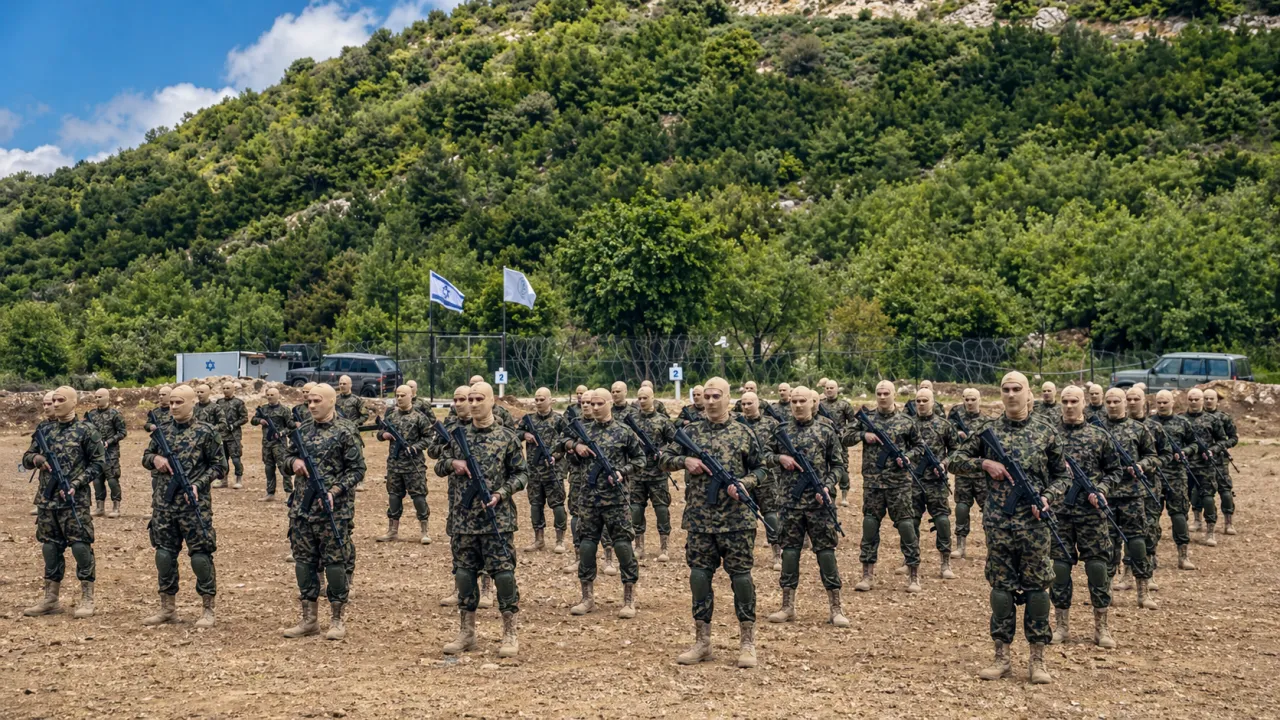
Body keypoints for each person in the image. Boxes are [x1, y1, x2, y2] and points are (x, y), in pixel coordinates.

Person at [950, 371, 1068, 684]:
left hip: (1034, 525)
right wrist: (984, 464)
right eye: (1006, 389)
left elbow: (1064, 476)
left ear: (1028, 393)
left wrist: (1047, 497)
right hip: (998, 524)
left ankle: (1037, 660)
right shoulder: (986, 430)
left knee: (1037, 590)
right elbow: (954, 460)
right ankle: (1001, 658)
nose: (1012, 394)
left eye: (1018, 389)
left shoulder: (1046, 431)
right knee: (1001, 590)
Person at [660, 377, 767, 668]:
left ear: (728, 398)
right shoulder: (689, 432)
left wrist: (744, 484)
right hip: (699, 520)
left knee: (742, 579)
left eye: (716, 396)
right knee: (699, 578)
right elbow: (663, 458)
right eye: (706, 396)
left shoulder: (744, 432)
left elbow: (762, 469)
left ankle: (747, 642)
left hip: (737, 521)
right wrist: (685, 462)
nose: (709, 401)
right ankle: (703, 642)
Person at [436, 382, 527, 658]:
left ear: (491, 402)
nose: (473, 404)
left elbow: (521, 474)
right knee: (464, 575)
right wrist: (453, 463)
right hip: (464, 521)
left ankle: (510, 632)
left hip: (497, 520)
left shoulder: (507, 437)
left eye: (479, 399)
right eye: (470, 399)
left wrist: (501, 493)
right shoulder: (457, 436)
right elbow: (439, 465)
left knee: (504, 575)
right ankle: (467, 633)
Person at [282, 384, 366, 641]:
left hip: (333, 512)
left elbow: (357, 469)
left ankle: (337, 619)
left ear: (331, 401)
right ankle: (309, 620)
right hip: (302, 510)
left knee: (335, 565)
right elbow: (286, 459)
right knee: (304, 563)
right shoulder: (302, 431)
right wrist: (293, 462)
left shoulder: (346, 430)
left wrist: (335, 490)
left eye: (317, 401)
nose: (311, 405)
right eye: (309, 401)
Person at [141, 386, 227, 628]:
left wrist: (199, 484)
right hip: (164, 506)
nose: (174, 406)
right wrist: (155, 459)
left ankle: (208, 609)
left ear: (192, 403)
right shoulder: (161, 431)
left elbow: (220, 466)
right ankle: (167, 608)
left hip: (194, 506)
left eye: (179, 402)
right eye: (171, 402)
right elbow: (146, 457)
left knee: (200, 556)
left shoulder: (206, 432)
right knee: (164, 555)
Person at [766, 385, 850, 628]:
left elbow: (838, 465)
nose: (798, 405)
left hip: (818, 504)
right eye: (794, 401)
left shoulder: (826, 430)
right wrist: (780, 458)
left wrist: (827, 486)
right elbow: (763, 456)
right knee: (790, 553)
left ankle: (836, 608)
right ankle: (787, 606)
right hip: (789, 504)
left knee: (826, 553)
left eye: (802, 400)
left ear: (813, 403)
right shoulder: (781, 431)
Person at [23, 386, 104, 619]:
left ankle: (87, 597)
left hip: (74, 501)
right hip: (47, 501)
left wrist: (77, 482)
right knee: (50, 547)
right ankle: (51, 598)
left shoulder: (86, 430)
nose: (56, 404)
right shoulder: (44, 430)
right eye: (54, 400)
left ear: (73, 403)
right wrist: (37, 458)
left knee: (80, 547)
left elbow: (99, 463)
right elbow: (26, 458)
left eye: (61, 400)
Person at [1050, 386, 1120, 648]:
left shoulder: (1098, 436)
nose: (1069, 406)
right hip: (1059, 513)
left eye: (1074, 401)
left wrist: (1101, 489)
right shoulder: (1050, 435)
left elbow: (1115, 471)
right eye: (1065, 401)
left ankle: (1102, 627)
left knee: (1097, 568)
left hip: (1092, 514)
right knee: (1059, 568)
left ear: (1083, 403)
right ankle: (1061, 625)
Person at [568, 389, 643, 618]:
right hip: (589, 499)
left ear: (610, 403)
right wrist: (576, 448)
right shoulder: (584, 431)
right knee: (587, 546)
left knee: (623, 546)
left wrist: (623, 471)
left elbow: (640, 459)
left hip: (615, 500)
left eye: (600, 403)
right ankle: (587, 598)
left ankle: (629, 599)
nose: (595, 407)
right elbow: (570, 458)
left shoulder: (624, 432)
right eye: (592, 403)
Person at [850, 380, 924, 593]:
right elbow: (845, 437)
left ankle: (913, 575)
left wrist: (908, 457)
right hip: (873, 484)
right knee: (870, 527)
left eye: (886, 393)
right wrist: (864, 435)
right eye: (879, 393)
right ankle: (867, 575)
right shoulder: (867, 419)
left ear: (894, 395)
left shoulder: (906, 421)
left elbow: (920, 446)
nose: (882, 397)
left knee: (906, 527)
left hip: (899, 484)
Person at [1100, 388, 1158, 609]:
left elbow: (1153, 456)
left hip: (1132, 495)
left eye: (1117, 401)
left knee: (1137, 543)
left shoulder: (1139, 429)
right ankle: (1107, 591)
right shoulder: (1097, 429)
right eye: (1109, 402)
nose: (1113, 405)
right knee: (1107, 544)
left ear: (1124, 402)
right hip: (1106, 496)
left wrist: (1142, 465)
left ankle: (1143, 592)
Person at [432, 386, 477, 607]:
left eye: (463, 399)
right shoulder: (449, 427)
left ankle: (487, 589)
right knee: (458, 542)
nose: (458, 404)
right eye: (456, 399)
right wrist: (450, 459)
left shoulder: (489, 427)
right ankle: (459, 588)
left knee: (486, 543)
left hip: (484, 495)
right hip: (458, 496)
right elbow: (434, 454)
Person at [375, 385, 434, 545]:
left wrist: (415, 447)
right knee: (394, 497)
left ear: (411, 396)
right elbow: (379, 433)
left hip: (414, 465)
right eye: (398, 395)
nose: (399, 398)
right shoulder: (391, 416)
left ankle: (424, 530)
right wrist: (384, 434)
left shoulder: (419, 417)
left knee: (419, 497)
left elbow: (429, 438)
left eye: (403, 395)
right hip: (394, 465)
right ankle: (392, 530)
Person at [912, 388, 958, 579]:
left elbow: (956, 450)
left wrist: (944, 464)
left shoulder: (944, 425)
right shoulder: (908, 424)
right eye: (918, 401)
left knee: (942, 520)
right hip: (913, 481)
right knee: (910, 521)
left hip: (936, 482)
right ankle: (910, 560)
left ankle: (945, 562)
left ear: (932, 402)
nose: (921, 404)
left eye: (925, 400)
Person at [1149, 390, 1197, 571]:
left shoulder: (1183, 422)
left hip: (1176, 475)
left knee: (1179, 515)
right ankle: (1151, 555)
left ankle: (1183, 555)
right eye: (1159, 402)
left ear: (1172, 402)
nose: (1162, 405)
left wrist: (1186, 452)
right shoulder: (1148, 424)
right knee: (1151, 517)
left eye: (1165, 402)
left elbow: (1195, 443)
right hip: (1153, 476)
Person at [630, 385, 677, 563]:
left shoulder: (663, 421)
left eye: (645, 398)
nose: (642, 401)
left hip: (658, 473)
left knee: (662, 509)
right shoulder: (632, 421)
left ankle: (664, 547)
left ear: (653, 398)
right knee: (636, 509)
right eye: (639, 398)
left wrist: (663, 452)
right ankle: (639, 546)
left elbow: (675, 443)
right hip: (637, 473)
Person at [736, 392, 781, 569]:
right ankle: (746, 554)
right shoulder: (736, 424)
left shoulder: (771, 424)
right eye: (744, 404)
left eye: (750, 403)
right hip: (744, 477)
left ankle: (777, 553)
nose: (746, 407)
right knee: (746, 517)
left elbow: (780, 448)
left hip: (766, 477)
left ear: (758, 404)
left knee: (770, 514)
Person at [522, 388, 568, 553]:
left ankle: (560, 540)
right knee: (535, 505)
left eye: (542, 399)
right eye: (536, 399)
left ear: (550, 400)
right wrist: (525, 434)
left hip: (553, 471)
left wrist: (555, 456)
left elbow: (567, 441)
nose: (539, 402)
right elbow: (515, 433)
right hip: (534, 471)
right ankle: (539, 539)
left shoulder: (559, 420)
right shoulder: (529, 419)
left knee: (557, 505)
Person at [1183, 389, 1227, 546]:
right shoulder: (1180, 419)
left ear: (1202, 400)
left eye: (1197, 399)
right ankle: (1183, 532)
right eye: (1191, 399)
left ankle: (1210, 531)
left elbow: (1223, 440)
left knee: (1208, 498)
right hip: (1185, 467)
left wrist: (1212, 450)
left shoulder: (1212, 419)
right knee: (1183, 499)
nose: (1194, 402)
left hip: (1205, 466)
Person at [948, 388, 988, 558]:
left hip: (982, 473)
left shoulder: (987, 421)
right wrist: (957, 433)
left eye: (973, 399)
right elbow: (949, 441)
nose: (970, 402)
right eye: (967, 399)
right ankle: (961, 546)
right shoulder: (955, 420)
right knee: (962, 508)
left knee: (988, 510)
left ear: (979, 399)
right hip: (963, 472)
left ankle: (991, 545)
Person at [85, 388, 127, 518]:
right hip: (96, 453)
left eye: (100, 397)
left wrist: (109, 441)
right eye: (96, 397)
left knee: (112, 479)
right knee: (97, 480)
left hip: (111, 453)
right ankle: (99, 507)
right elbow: (85, 431)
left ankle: (116, 507)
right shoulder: (91, 415)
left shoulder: (115, 414)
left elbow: (122, 432)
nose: (97, 399)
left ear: (107, 398)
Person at [251, 387, 296, 502]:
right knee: (269, 468)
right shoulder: (263, 409)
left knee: (283, 468)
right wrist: (260, 421)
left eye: (272, 395)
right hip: (267, 444)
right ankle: (270, 493)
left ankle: (288, 493)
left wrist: (282, 433)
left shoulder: (284, 410)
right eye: (268, 395)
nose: (270, 397)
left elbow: (291, 427)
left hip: (279, 444)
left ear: (278, 395)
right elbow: (253, 420)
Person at [1203, 389, 1238, 535]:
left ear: (1217, 400)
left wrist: (1220, 447)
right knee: (1200, 492)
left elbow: (1233, 438)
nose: (1208, 401)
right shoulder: (1195, 417)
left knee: (1225, 491)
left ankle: (1228, 522)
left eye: (1211, 398)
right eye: (1206, 398)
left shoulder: (1224, 418)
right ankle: (1197, 520)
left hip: (1220, 460)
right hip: (1201, 461)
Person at [216, 382, 248, 489]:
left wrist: (234, 425)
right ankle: (223, 480)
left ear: (233, 389)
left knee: (236, 459)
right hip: (221, 435)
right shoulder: (219, 402)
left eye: (228, 388)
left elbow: (244, 418)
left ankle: (238, 479)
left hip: (234, 436)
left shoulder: (238, 403)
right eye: (224, 388)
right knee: (223, 460)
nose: (225, 390)